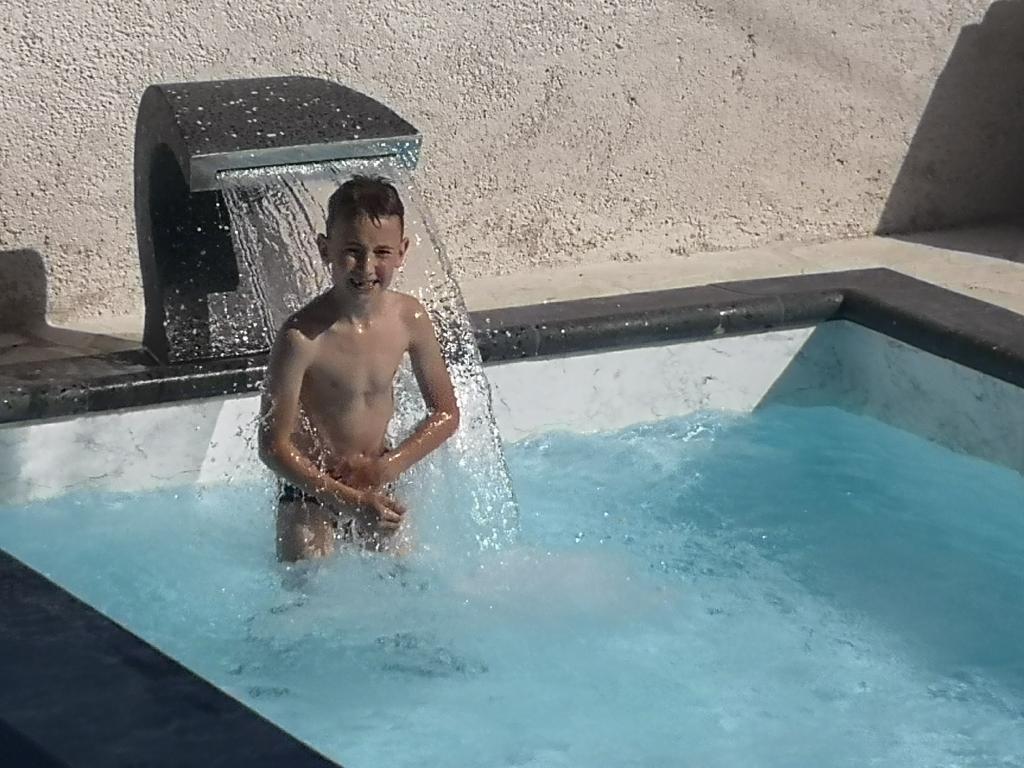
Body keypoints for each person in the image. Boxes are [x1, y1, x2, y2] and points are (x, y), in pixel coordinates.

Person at [258, 175, 460, 560]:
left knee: (406, 579)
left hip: (377, 483)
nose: (367, 267)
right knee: (308, 582)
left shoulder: (410, 320)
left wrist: (388, 468)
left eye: (382, 252)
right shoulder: (302, 337)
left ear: (401, 252)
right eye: (352, 251)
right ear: (325, 249)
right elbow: (272, 446)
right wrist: (349, 501)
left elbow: (446, 413)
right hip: (312, 491)